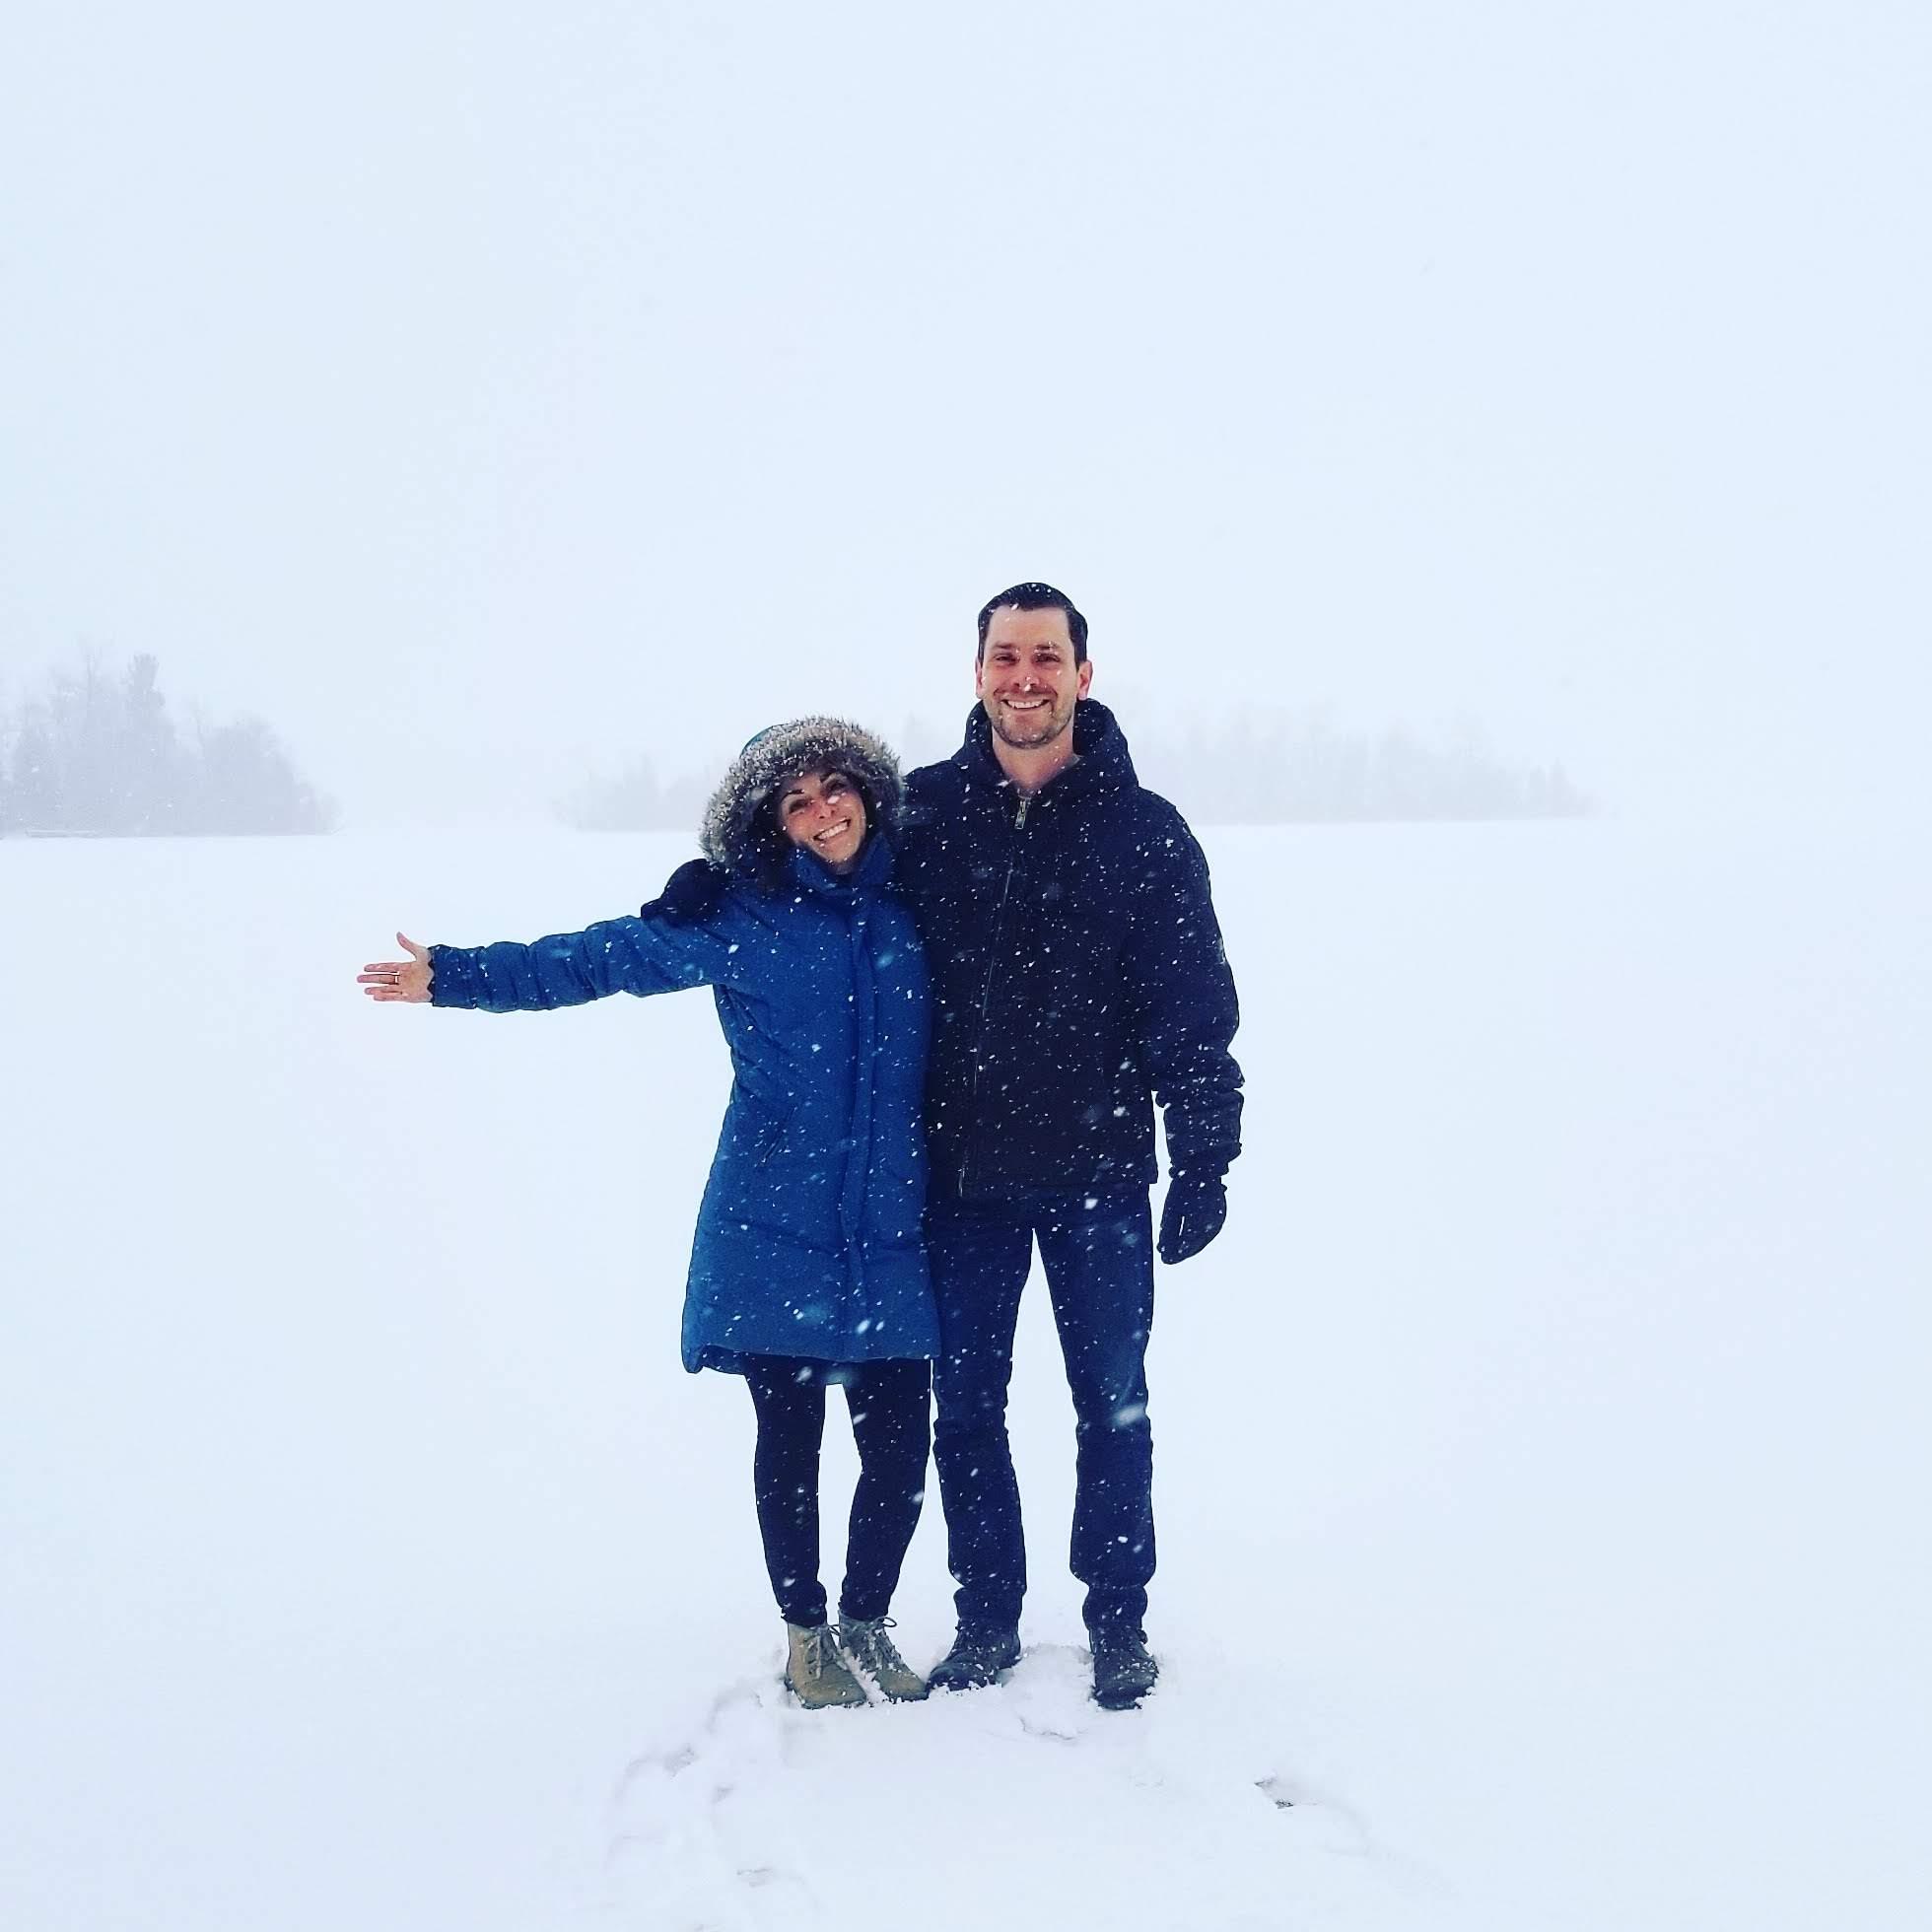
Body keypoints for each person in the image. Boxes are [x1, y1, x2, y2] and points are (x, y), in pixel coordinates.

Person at [652, 586, 1243, 1710]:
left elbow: (1191, 1009)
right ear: (976, 672)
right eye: (1005, 656)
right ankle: (986, 1621)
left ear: (1083, 671)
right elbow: (820, 877)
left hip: (1101, 1172)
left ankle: (1117, 1620)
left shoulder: (1146, 832)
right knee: (966, 1411)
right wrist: (711, 887)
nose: (1025, 677)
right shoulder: (921, 815)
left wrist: (1204, 1153)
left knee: (1111, 1402)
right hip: (959, 1179)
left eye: (1047, 657)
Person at [357, 721, 939, 1710]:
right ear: (773, 824)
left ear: (869, 792)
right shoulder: (740, 918)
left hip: (894, 1221)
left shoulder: (923, 903)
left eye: (834, 786)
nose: (821, 809)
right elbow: (598, 960)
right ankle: (806, 1637)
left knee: (897, 1442)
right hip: (773, 1220)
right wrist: (456, 974)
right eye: (794, 801)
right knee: (789, 1438)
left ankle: (869, 1625)